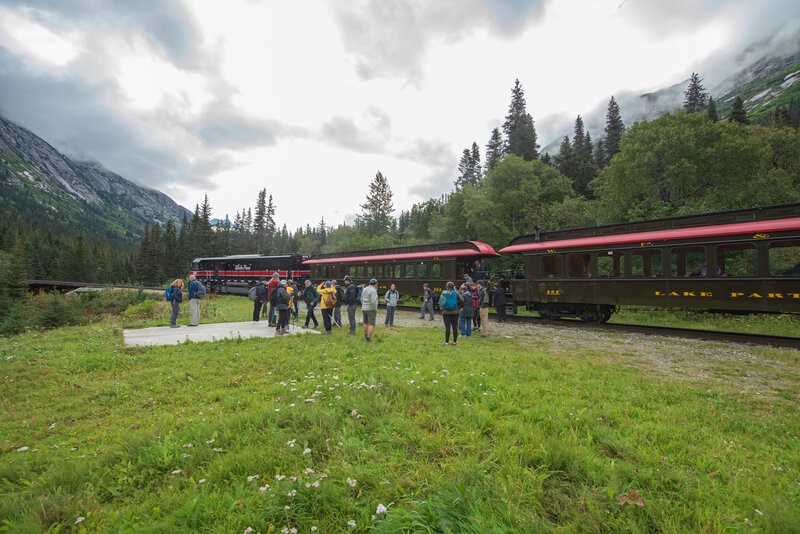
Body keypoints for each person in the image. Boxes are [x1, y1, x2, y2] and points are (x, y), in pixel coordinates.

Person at [439, 281, 463, 345]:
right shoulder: (456, 293)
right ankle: (454, 342)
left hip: (446, 312)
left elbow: (440, 302)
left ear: (447, 287)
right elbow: (462, 300)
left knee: (447, 327)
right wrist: (459, 306)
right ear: (453, 287)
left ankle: (446, 342)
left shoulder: (444, 293)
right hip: (455, 312)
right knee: (455, 327)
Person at [361, 278, 379, 342]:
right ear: (375, 284)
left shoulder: (364, 289)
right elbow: (373, 302)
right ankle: (368, 338)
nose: (377, 285)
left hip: (364, 308)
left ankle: (366, 336)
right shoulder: (373, 291)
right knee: (372, 324)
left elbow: (361, 298)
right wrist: (375, 308)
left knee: (365, 323)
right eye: (377, 284)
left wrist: (363, 305)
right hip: (371, 309)